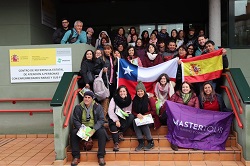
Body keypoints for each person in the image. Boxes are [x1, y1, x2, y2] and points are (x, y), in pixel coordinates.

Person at [70, 90, 108, 166]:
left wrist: (93, 130)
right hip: (82, 128)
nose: (87, 99)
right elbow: (75, 120)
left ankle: (101, 156)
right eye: (85, 97)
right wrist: (82, 129)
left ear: (92, 99)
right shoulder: (78, 107)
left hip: (94, 128)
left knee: (102, 132)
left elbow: (101, 120)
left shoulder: (98, 106)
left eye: (89, 97)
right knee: (73, 133)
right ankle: (76, 157)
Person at [170, 81, 199, 151]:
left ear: (190, 89)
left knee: (193, 125)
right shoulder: (175, 95)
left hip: (190, 116)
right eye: (183, 87)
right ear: (181, 88)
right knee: (177, 124)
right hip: (178, 116)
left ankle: (193, 143)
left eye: (186, 87)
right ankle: (174, 142)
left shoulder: (195, 97)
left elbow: (196, 109)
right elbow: (171, 105)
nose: (185, 88)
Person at [132, 81, 161, 151]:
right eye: (138, 91)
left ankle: (150, 142)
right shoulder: (135, 100)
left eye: (141, 91)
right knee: (134, 121)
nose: (140, 93)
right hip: (140, 118)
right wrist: (137, 114)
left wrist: (144, 115)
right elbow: (133, 111)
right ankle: (141, 142)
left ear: (144, 91)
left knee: (143, 123)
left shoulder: (149, 99)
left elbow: (154, 111)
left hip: (151, 119)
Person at [107, 85, 134, 151]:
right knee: (113, 126)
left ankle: (121, 132)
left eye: (124, 91)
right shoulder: (114, 99)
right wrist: (116, 120)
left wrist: (126, 113)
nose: (122, 93)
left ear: (126, 92)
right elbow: (110, 110)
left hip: (124, 116)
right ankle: (116, 143)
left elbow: (130, 110)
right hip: (114, 116)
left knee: (131, 117)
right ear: (118, 92)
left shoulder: (129, 99)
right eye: (120, 91)